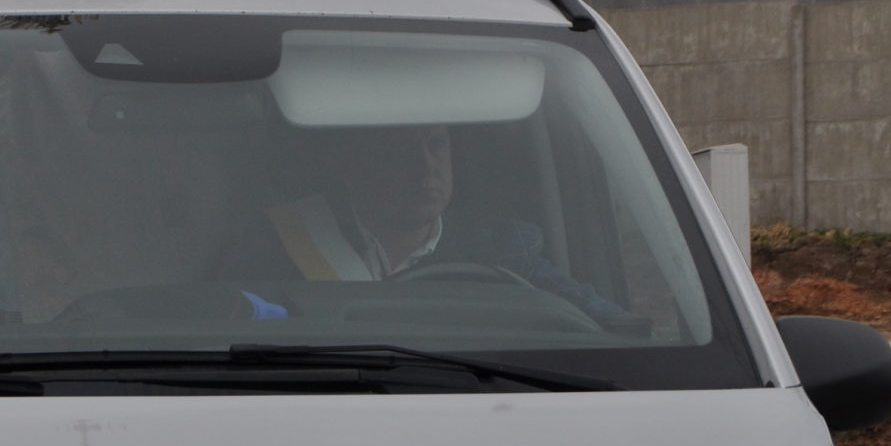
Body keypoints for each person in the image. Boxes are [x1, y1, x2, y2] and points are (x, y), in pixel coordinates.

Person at [257, 124, 631, 324]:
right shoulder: (285, 243)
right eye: (399, 151)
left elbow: (602, 319)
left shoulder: (502, 248)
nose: (426, 167)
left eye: (436, 144)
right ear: (351, 164)